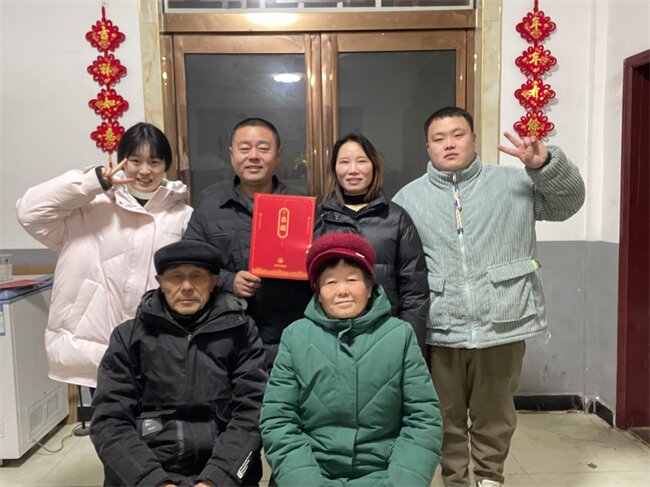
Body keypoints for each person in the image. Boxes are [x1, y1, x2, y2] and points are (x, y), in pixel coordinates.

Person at [393, 106, 586, 487]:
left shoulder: (514, 183)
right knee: (443, 416)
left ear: (474, 138)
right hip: (441, 327)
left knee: (495, 415)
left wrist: (545, 166)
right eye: (438, 138)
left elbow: (568, 204)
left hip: (503, 321)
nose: (449, 144)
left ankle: (489, 478)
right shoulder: (407, 199)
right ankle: (455, 480)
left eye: (458, 134)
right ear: (428, 147)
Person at [16, 122, 193, 388]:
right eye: (135, 160)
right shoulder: (88, 207)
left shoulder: (182, 215)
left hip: (156, 347)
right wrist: (92, 182)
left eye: (155, 162)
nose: (145, 170)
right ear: (121, 161)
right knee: (106, 414)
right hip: (92, 346)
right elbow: (29, 212)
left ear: (166, 165)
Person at [260, 232, 442, 487]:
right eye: (330, 282)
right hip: (311, 475)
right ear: (317, 292)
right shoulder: (295, 337)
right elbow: (278, 420)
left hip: (382, 475)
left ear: (369, 287)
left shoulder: (399, 336)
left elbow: (423, 420)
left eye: (352, 280)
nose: (342, 291)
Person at [90, 239, 267, 487]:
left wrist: (216, 479)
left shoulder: (241, 331)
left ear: (214, 281)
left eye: (197, 277)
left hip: (222, 473)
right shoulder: (128, 337)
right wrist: (154, 481)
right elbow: (109, 421)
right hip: (149, 473)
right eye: (176, 277)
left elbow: (252, 412)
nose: (186, 287)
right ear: (160, 281)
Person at [184, 117, 312, 368]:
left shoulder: (300, 206)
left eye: (263, 148)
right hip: (225, 336)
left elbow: (319, 264)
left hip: (288, 336)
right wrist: (229, 280)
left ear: (278, 155)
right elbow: (190, 263)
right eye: (244, 148)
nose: (254, 156)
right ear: (232, 155)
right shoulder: (210, 205)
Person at [314, 133, 429, 352]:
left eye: (361, 161)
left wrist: (410, 346)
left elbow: (414, 292)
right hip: (330, 338)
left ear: (374, 166)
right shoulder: (318, 219)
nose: (353, 170)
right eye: (344, 162)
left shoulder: (396, 218)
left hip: (385, 334)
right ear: (335, 169)